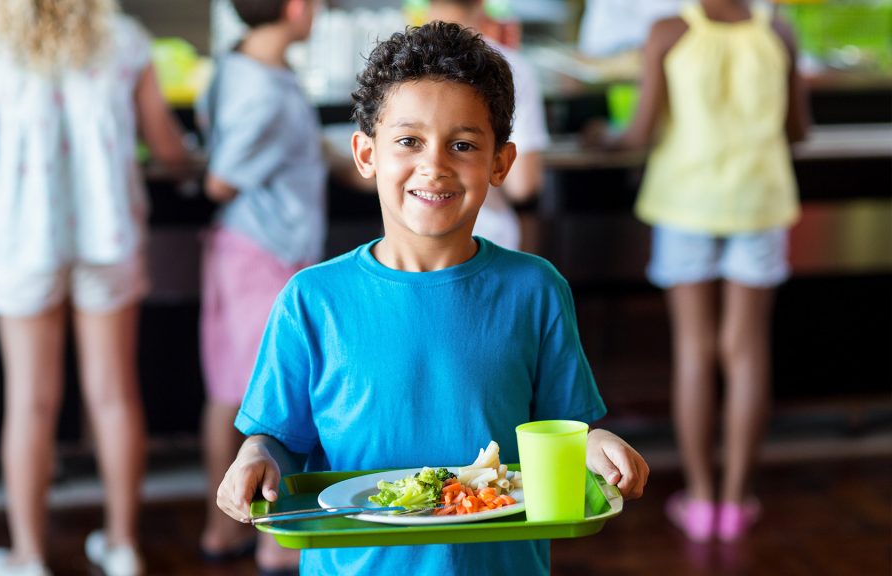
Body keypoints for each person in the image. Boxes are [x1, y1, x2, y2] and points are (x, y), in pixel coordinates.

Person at [216, 21, 649, 576]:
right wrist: (254, 455)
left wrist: (598, 446)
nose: (435, 164)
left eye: (463, 144)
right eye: (408, 141)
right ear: (366, 155)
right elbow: (277, 437)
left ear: (501, 163)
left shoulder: (536, 289)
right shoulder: (312, 299)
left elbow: (566, 431)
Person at [0, 0, 190, 574]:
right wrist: (192, 164)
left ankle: (30, 555)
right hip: (109, 237)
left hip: (26, 244)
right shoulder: (126, 41)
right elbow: (167, 146)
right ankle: (122, 546)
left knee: (30, 403)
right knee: (115, 395)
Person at [585, 0, 810, 543]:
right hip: (760, 203)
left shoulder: (668, 30)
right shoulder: (778, 29)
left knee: (694, 348)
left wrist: (601, 136)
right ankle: (735, 504)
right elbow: (798, 129)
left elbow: (638, 133)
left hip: (686, 204)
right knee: (747, 349)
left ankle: (701, 500)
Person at [196, 1, 325, 574]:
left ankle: (220, 531)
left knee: (229, 391)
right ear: (295, 7)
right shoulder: (269, 93)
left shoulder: (236, 65)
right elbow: (222, 178)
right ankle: (276, 543)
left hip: (236, 249)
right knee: (278, 403)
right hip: (267, 258)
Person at [428, 0, 550, 251]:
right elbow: (524, 185)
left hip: (410, 243)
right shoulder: (512, 68)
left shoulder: (401, 67)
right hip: (489, 237)